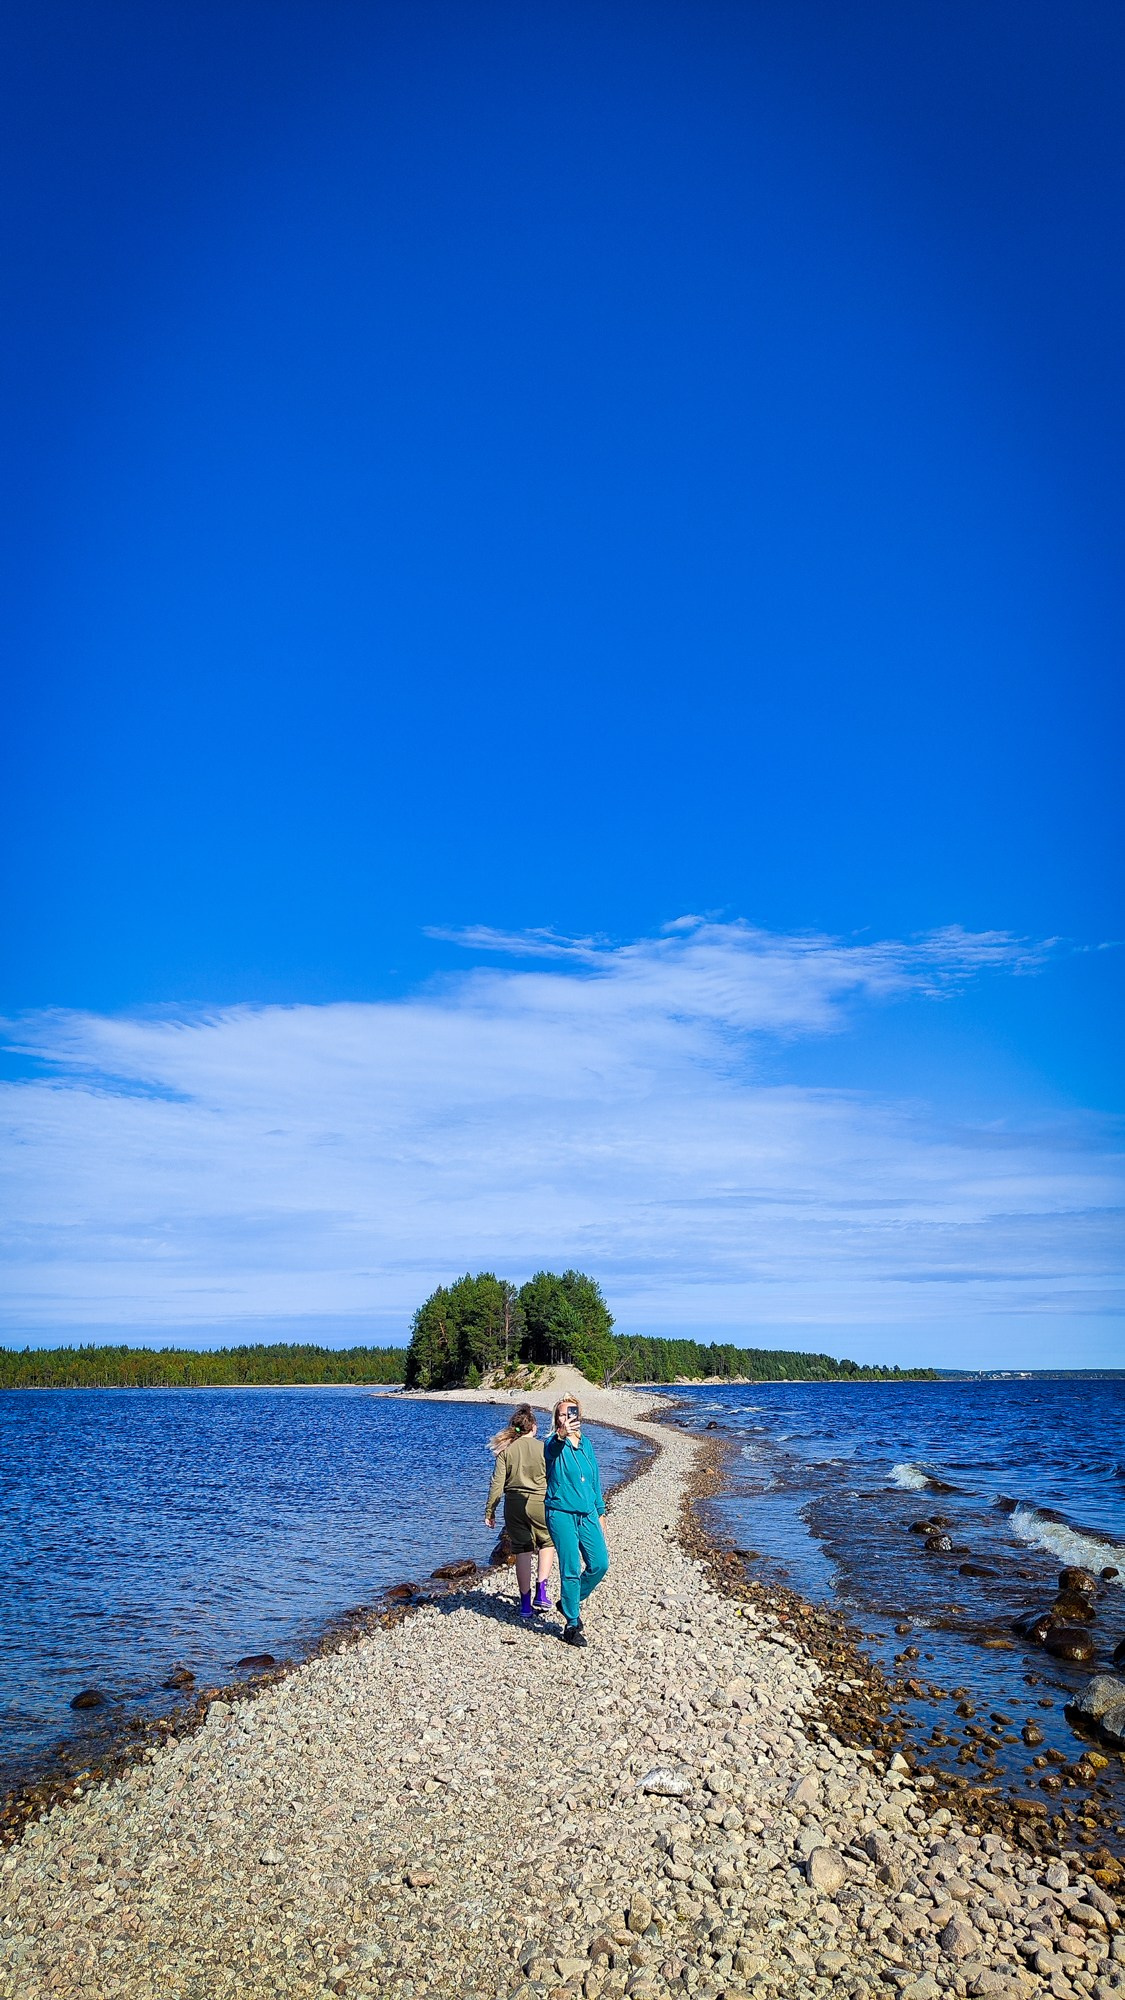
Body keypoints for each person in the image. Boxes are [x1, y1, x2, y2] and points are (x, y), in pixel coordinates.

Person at [543, 1394, 609, 1648]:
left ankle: (568, 1601)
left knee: (600, 1564)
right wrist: (561, 1434)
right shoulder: (553, 1443)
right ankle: (571, 1623)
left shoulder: (587, 1445)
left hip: (588, 1514)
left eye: (571, 1413)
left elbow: (594, 1480)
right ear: (556, 1418)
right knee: (570, 1568)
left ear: (579, 1415)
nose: (566, 1417)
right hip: (561, 1513)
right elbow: (551, 1450)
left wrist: (601, 1512)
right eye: (561, 1414)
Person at [484, 1403, 554, 1621]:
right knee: (547, 1543)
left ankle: (525, 1604)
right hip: (540, 1501)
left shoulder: (506, 1451)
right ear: (533, 1427)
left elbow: (497, 1484)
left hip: (513, 1504)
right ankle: (541, 1591)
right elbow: (554, 1477)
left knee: (522, 1550)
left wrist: (490, 1511)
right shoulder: (544, 1447)